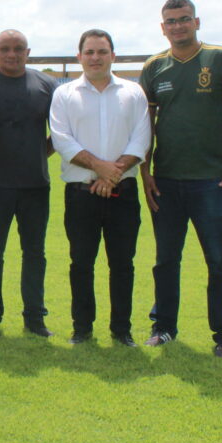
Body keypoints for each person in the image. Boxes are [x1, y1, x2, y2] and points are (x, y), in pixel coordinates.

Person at [139, 0, 222, 357]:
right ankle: (163, 328)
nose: (178, 26)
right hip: (166, 180)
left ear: (197, 22)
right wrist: (145, 172)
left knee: (218, 260)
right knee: (165, 260)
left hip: (212, 182)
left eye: (184, 19)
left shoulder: (221, 58)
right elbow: (146, 125)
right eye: (171, 21)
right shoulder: (155, 67)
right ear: (163, 28)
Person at [50, 29, 150, 346]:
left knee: (122, 264)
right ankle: (82, 329)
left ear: (113, 56)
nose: (96, 58)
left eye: (102, 51)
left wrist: (111, 174)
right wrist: (101, 168)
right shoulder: (64, 94)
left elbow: (142, 139)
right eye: (90, 52)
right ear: (79, 56)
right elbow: (62, 141)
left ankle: (121, 330)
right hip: (81, 194)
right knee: (81, 263)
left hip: (123, 192)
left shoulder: (133, 92)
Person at [0, 30, 57, 340]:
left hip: (35, 185)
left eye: (18, 48)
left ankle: (34, 318)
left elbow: (60, 133)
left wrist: (39, 154)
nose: (12, 54)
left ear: (28, 52)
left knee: (35, 253)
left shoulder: (46, 85)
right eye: (5, 49)